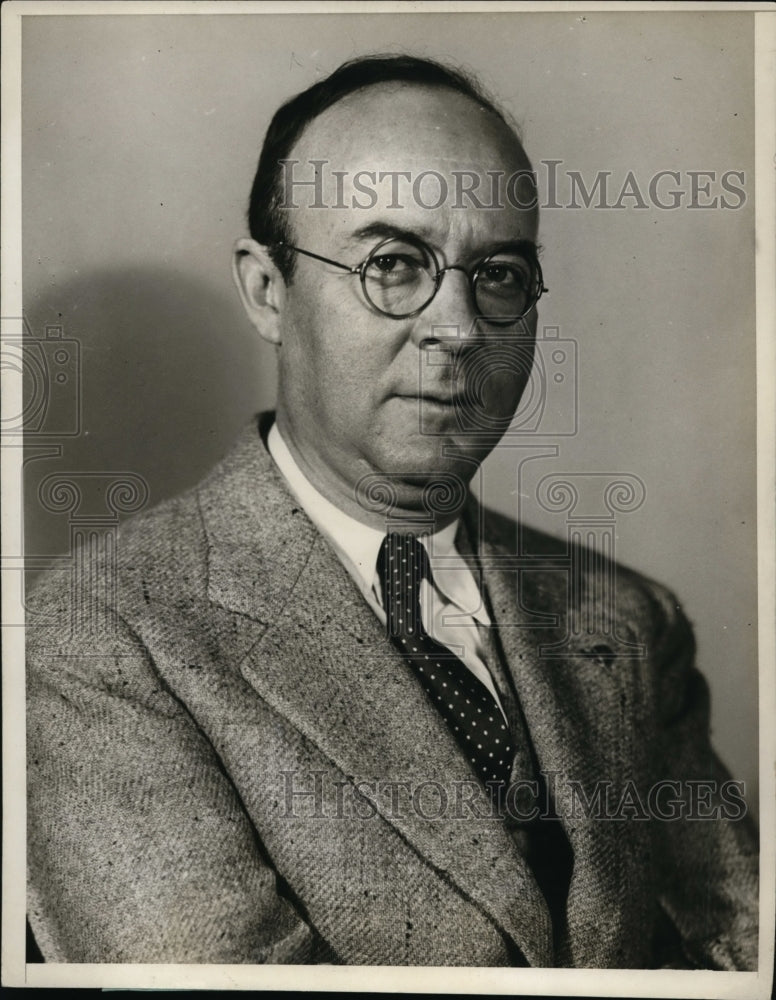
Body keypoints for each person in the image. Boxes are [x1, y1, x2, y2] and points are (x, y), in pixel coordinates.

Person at [25, 54, 758, 968]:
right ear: (268, 292)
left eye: (499, 273)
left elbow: (740, 955)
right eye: (394, 264)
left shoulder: (627, 619)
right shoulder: (98, 639)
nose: (459, 328)